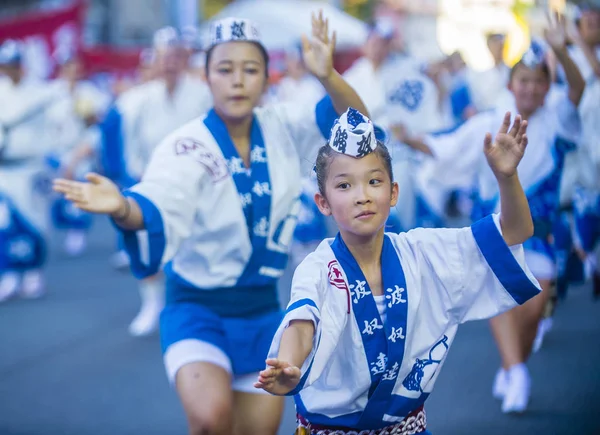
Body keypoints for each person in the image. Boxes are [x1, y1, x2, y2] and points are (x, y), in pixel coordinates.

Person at [53, 12, 368, 435]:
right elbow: (159, 200)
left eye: (250, 69)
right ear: (207, 77)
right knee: (209, 421)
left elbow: (357, 125)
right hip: (197, 308)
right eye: (225, 69)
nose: (237, 80)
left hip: (262, 310)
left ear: (265, 77)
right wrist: (122, 208)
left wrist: (328, 75)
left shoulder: (284, 125)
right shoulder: (186, 145)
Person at [255, 108, 540, 433]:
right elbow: (302, 322)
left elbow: (515, 232)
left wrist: (506, 177)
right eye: (345, 186)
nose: (362, 196)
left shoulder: (424, 252)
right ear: (323, 202)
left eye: (374, 181)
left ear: (393, 192)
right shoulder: (318, 267)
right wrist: (290, 364)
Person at [397, 14, 585, 413]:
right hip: (495, 229)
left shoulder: (557, 121)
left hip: (541, 229)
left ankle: (514, 363)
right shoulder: (489, 122)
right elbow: (449, 148)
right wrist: (412, 140)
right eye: (523, 81)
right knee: (501, 300)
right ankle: (515, 370)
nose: (530, 89)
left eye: (538, 82)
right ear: (511, 85)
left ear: (546, 86)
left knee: (535, 306)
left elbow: (579, 90)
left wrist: (560, 50)